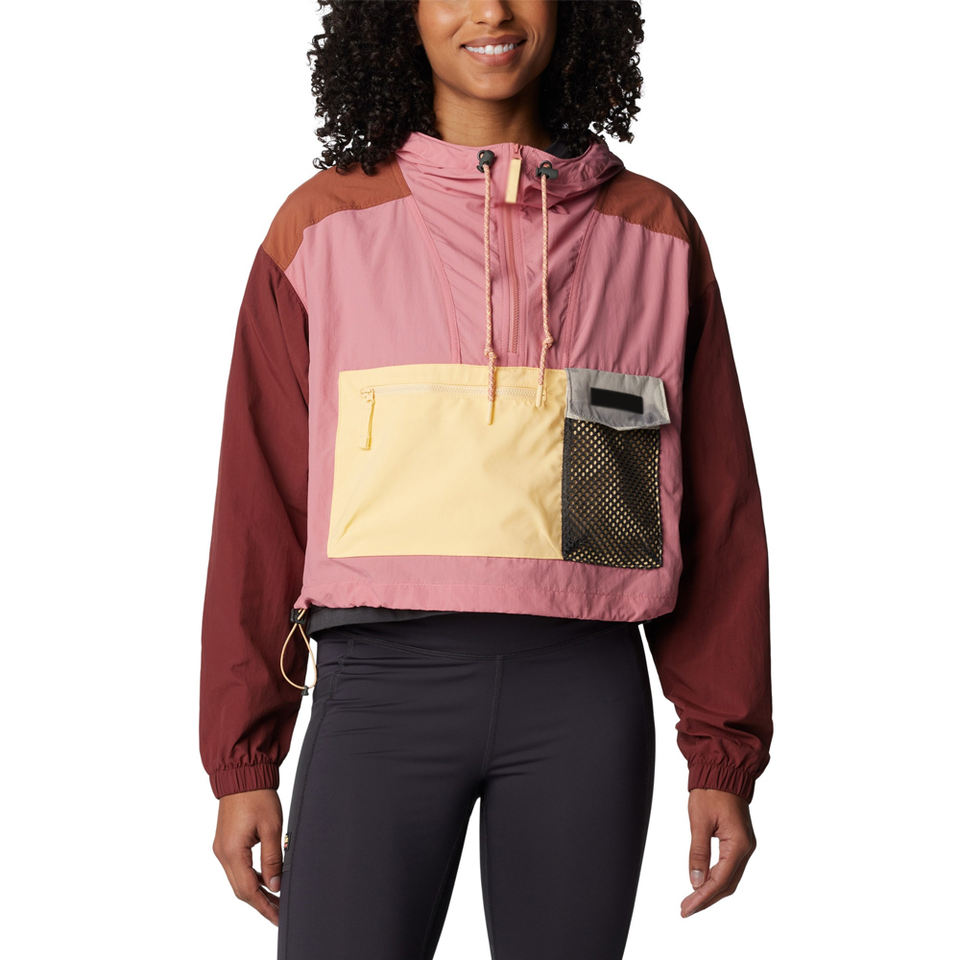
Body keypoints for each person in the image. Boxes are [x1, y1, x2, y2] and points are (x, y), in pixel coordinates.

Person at [199, 2, 772, 957]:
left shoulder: (653, 232)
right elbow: (260, 503)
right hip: (379, 687)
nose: (492, 10)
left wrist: (723, 753)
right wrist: (244, 757)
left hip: (584, 693)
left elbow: (714, 513)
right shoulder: (322, 226)